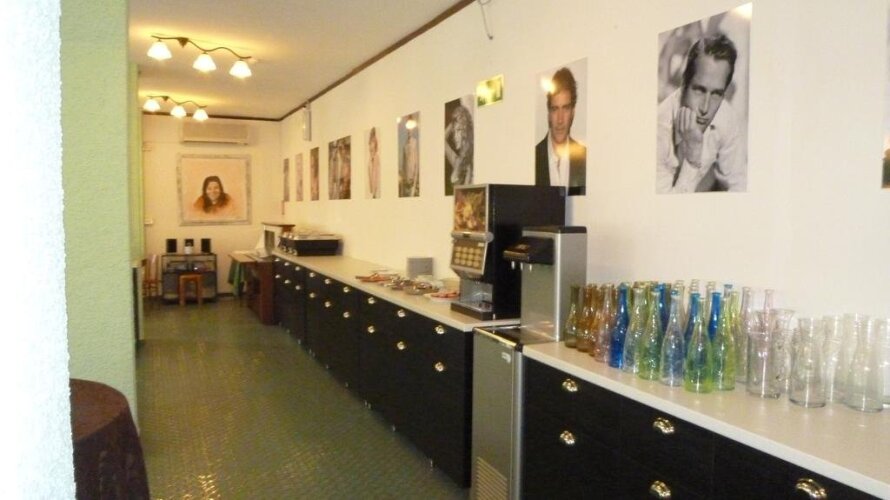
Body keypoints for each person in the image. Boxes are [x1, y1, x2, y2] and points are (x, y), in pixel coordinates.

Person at [657, 34, 746, 193]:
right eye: (699, 90)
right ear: (684, 84)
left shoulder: (726, 116)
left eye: (716, 94)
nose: (705, 108)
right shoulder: (658, 129)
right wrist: (692, 159)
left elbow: (739, 184)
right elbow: (667, 206)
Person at [535, 67, 587, 196]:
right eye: (555, 109)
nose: (560, 119)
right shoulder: (535, 156)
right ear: (548, 114)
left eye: (566, 108)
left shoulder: (584, 158)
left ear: (573, 112)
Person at [444, 102, 473, 194]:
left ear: (464, 131)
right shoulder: (457, 159)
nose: (455, 136)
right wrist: (453, 123)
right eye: (454, 131)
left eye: (458, 130)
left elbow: (466, 194)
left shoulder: (468, 164)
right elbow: (442, 140)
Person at [400, 122, 419, 197]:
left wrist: (415, 179)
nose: (409, 132)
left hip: (412, 177)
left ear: (412, 131)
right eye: (408, 130)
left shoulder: (414, 142)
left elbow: (416, 162)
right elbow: (403, 164)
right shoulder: (404, 145)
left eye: (410, 130)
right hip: (406, 178)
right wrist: (403, 179)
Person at [367, 128, 381, 198]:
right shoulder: (370, 141)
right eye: (372, 132)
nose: (372, 133)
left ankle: (374, 193)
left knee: (375, 175)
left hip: (375, 157)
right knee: (370, 174)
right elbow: (370, 150)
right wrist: (371, 157)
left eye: (373, 132)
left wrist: (373, 156)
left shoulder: (375, 140)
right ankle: (372, 191)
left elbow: (376, 149)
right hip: (371, 158)